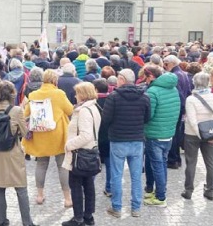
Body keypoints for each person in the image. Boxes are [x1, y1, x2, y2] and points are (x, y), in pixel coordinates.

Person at [0, 81, 36, 226]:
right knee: (21, 188)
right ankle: (27, 222)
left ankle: (2, 221)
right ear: (12, 93)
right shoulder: (16, 110)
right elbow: (26, 134)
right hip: (13, 152)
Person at [102, 69, 150, 218]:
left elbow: (106, 119)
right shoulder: (144, 97)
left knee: (116, 175)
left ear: (122, 80)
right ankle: (136, 208)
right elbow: (147, 118)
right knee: (136, 176)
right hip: (136, 140)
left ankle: (117, 207)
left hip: (118, 140)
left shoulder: (114, 97)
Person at [23, 70, 74, 207]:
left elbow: (26, 113)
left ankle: (39, 196)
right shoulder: (59, 94)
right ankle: (67, 198)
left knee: (41, 164)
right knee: (62, 166)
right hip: (58, 134)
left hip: (40, 133)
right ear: (55, 81)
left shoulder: (33, 94)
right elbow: (70, 110)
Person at [61, 82, 101, 226]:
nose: (75, 96)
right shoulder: (93, 107)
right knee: (88, 184)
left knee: (76, 185)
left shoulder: (84, 111)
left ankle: (78, 219)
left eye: (77, 93)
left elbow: (86, 135)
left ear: (83, 94)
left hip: (80, 154)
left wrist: (69, 145)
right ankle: (88, 216)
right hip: (90, 151)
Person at [181, 72, 213, 201]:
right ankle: (210, 189)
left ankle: (188, 190)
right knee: (210, 162)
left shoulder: (191, 99)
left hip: (191, 134)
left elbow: (192, 120)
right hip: (210, 133)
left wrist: (200, 134)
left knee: (191, 162)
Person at [143, 65, 180, 207]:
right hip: (168, 133)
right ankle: (154, 190)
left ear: (151, 76)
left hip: (154, 133)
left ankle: (160, 197)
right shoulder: (173, 89)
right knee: (161, 164)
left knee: (157, 165)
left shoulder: (152, 91)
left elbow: (148, 115)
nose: (145, 81)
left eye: (145, 78)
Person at [163, 55, 192, 170]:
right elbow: (188, 91)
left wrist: (182, 107)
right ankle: (177, 159)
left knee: (174, 134)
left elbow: (178, 94)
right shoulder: (183, 74)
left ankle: (173, 159)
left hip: (177, 107)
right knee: (177, 133)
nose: (164, 66)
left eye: (166, 63)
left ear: (171, 63)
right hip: (181, 107)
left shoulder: (174, 76)